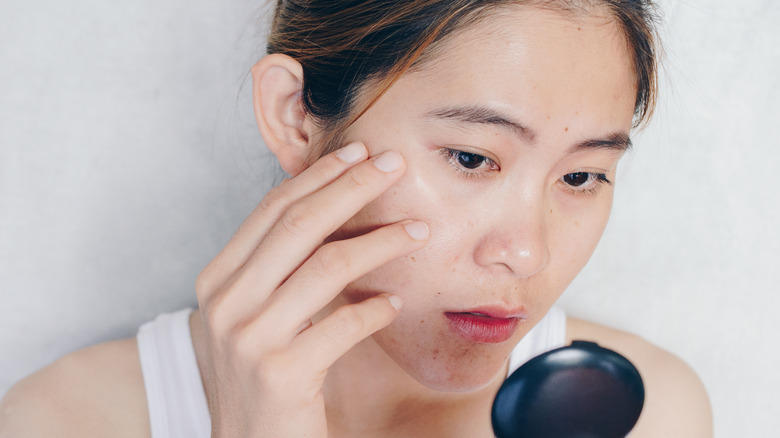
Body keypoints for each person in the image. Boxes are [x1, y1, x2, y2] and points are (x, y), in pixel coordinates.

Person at [0, 0, 713, 436]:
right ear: (295, 116)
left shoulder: (643, 416)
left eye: (582, 176)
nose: (524, 254)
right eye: (470, 158)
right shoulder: (70, 421)